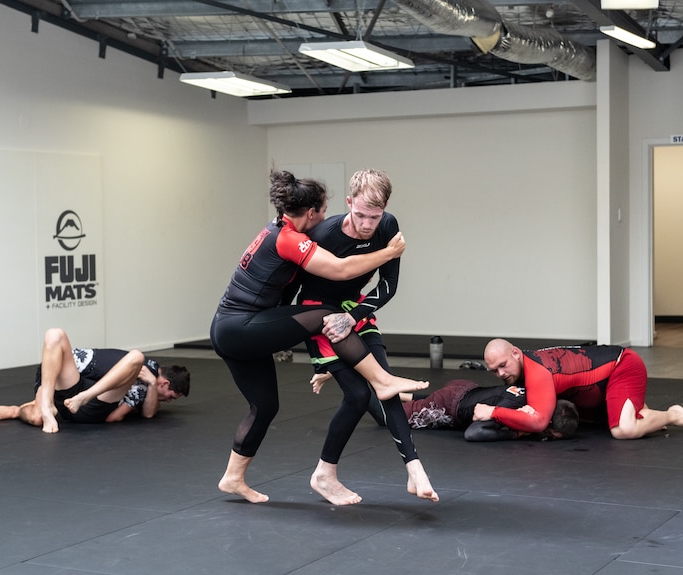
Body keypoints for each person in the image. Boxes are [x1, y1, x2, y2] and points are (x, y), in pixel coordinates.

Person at [210, 169, 430, 505]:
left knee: (265, 406)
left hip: (238, 327)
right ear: (311, 213)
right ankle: (383, 380)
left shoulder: (281, 230)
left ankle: (232, 477)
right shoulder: (289, 238)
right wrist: (389, 253)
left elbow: (287, 297)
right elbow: (339, 271)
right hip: (241, 327)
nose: (327, 218)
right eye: (324, 211)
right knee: (327, 317)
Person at [297, 168, 437, 505]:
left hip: (353, 308)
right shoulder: (325, 233)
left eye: (373, 216)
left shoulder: (388, 226)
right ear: (348, 203)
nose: (366, 224)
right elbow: (294, 284)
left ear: (384, 209)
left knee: (385, 382)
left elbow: (388, 284)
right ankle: (323, 474)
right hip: (318, 311)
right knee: (358, 396)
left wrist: (353, 316)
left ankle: (415, 469)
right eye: (359, 214)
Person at [474, 338, 683, 439]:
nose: (501, 374)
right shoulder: (526, 368)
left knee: (623, 430)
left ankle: (674, 413)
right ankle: (644, 415)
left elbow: (537, 421)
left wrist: (493, 413)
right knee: (627, 420)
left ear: (516, 352)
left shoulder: (538, 371)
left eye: (503, 365)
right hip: (595, 388)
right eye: (494, 371)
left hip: (623, 365)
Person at [0, 328, 190, 433]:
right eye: (171, 397)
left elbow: (143, 413)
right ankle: (34, 407)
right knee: (54, 334)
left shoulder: (147, 384)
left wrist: (151, 385)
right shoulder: (149, 371)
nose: (168, 402)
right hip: (74, 386)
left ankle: (27, 407)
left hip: (93, 401)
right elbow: (134, 415)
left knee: (135, 356)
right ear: (166, 384)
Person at [400, 378, 579, 441]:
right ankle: (372, 391)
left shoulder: (539, 396)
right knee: (390, 418)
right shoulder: (514, 409)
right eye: (550, 434)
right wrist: (514, 435)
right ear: (547, 422)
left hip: (466, 388)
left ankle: (401, 394)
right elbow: (474, 433)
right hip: (448, 406)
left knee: (428, 401)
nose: (545, 436)